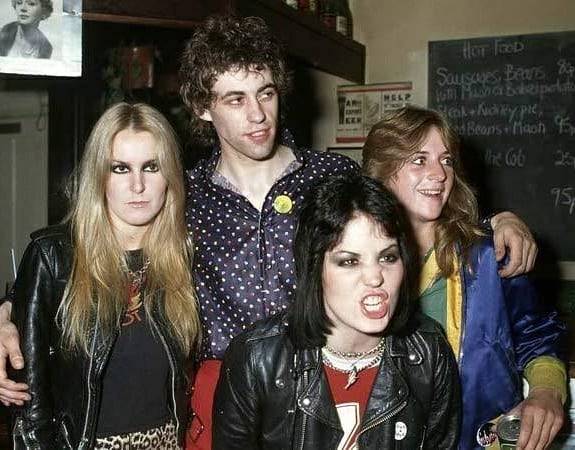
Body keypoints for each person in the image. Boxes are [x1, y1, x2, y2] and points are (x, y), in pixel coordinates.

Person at [0, 15, 539, 450]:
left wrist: (494, 222)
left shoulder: (333, 177)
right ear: (202, 108)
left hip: (319, 388)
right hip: (211, 397)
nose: (258, 114)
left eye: (266, 93)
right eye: (235, 99)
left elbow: (411, 210)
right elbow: (86, 247)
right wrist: (7, 312)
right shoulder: (178, 195)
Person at [363, 105, 566, 450]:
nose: (439, 174)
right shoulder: (352, 264)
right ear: (381, 171)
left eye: (446, 161)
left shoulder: (489, 256)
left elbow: (537, 334)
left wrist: (546, 392)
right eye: (419, 159)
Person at [213, 173, 461, 449]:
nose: (375, 277)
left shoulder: (429, 352)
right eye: (349, 261)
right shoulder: (256, 359)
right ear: (314, 267)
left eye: (388, 257)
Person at [10, 103, 201, 449]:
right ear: (99, 174)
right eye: (120, 168)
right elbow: (31, 403)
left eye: (151, 167)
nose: (138, 185)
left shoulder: (185, 255)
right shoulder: (54, 258)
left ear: (170, 173)